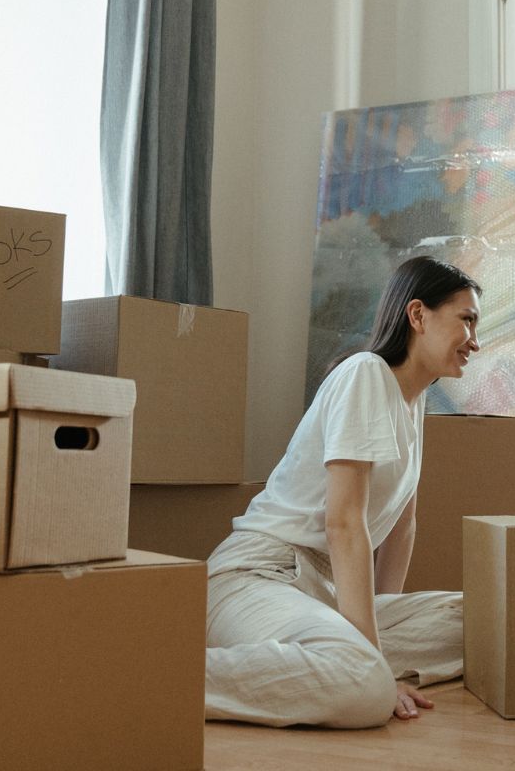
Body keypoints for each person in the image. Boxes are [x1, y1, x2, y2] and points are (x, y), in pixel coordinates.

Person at [204, 256, 481, 728]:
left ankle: (349, 659)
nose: (476, 341)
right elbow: (343, 522)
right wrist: (374, 661)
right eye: (467, 320)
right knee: (366, 687)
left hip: (324, 590)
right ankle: (155, 674)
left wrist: (378, 620)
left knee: (482, 620)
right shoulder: (366, 373)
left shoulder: (414, 401)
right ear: (418, 315)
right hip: (262, 575)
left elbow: (402, 526)